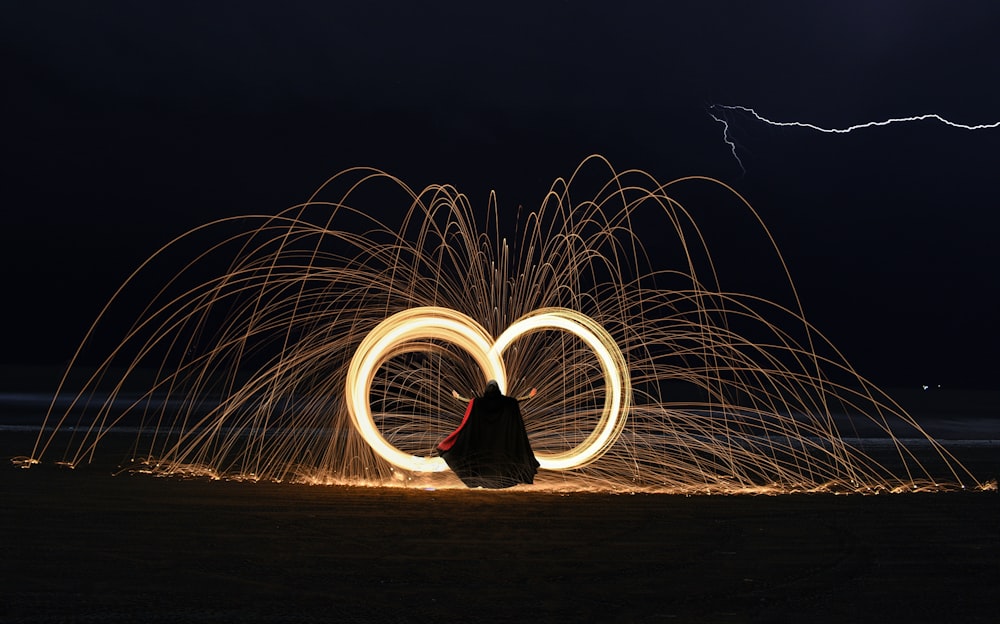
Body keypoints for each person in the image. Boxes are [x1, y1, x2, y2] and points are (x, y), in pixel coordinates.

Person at [437, 380, 539, 488]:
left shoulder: (478, 402)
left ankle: (482, 477)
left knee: (482, 458)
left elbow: (469, 401)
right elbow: (515, 401)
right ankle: (502, 478)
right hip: (501, 440)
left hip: (483, 440)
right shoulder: (507, 402)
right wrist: (529, 396)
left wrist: (458, 397)